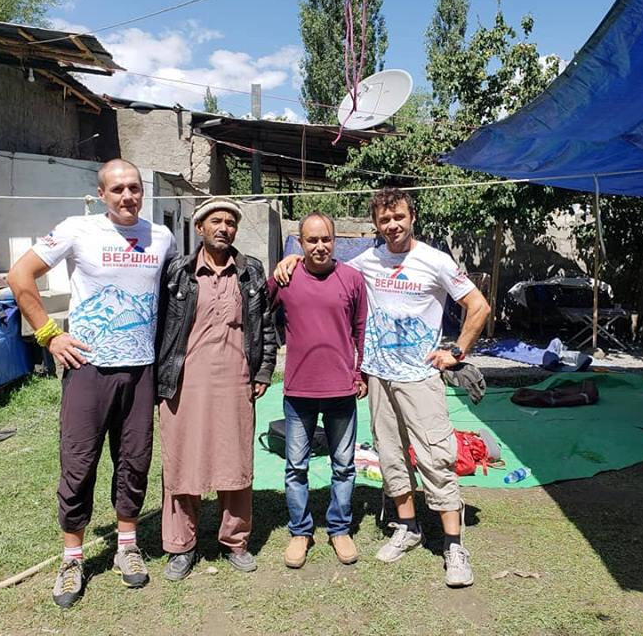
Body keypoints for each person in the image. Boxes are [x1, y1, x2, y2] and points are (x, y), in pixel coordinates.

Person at [274, 187, 491, 588]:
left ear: (412, 218)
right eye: (384, 219)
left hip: (421, 378)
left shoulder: (435, 260)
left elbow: (478, 306)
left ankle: (454, 546)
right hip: (378, 377)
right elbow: (323, 263)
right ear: (376, 224)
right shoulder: (364, 263)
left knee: (435, 458)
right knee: (391, 457)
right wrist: (291, 259)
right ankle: (407, 528)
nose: (392, 225)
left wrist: (456, 352)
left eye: (399, 217)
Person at [8, 159, 177, 608]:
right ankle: (72, 558)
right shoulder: (77, 230)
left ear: (144, 192)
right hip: (88, 369)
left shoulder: (162, 237)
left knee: (135, 460)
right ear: (101, 194)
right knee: (79, 463)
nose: (128, 196)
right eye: (117, 189)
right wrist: (50, 333)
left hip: (141, 369)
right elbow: (19, 275)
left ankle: (127, 547)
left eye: (135, 188)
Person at [155, 196, 277, 580]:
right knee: (181, 460)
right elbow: (160, 327)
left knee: (236, 460)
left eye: (230, 222)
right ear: (200, 227)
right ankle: (181, 546)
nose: (224, 228)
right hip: (185, 380)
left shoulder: (251, 272)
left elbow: (266, 327)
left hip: (236, 378)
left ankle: (235, 541)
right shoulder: (177, 271)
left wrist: (263, 372)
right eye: (216, 221)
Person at [266, 212, 367, 569]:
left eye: (326, 239)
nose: (320, 246)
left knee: (344, 465)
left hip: (341, 390)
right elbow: (260, 311)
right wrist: (283, 263)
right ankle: (300, 531)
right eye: (312, 240)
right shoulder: (286, 277)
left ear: (334, 240)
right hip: (299, 392)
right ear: (301, 242)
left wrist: (359, 372)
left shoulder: (352, 279)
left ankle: (339, 528)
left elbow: (360, 329)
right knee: (296, 466)